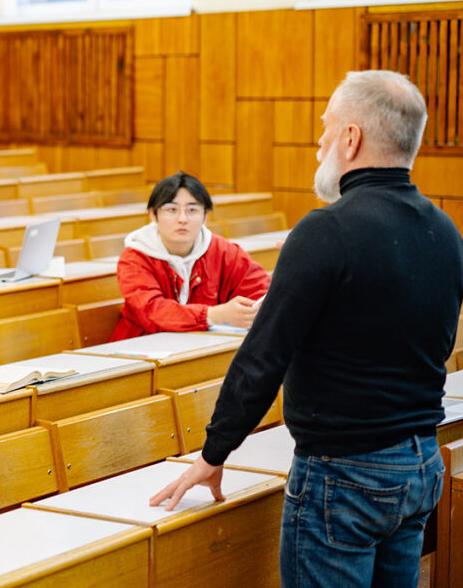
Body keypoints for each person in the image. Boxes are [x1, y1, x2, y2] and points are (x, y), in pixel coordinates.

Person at [150, 70, 463, 587]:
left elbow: (262, 356)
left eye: (326, 127)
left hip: (344, 476)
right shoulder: (445, 229)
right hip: (420, 461)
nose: (319, 141)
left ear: (351, 137)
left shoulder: (326, 230)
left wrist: (213, 452)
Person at [110, 171, 270, 340]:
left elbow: (259, 292)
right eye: (171, 209)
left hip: (201, 345)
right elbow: (152, 311)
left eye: (192, 210)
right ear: (153, 214)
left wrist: (250, 312)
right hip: (143, 345)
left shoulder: (224, 251)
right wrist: (215, 314)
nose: (182, 219)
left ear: (205, 216)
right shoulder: (135, 257)